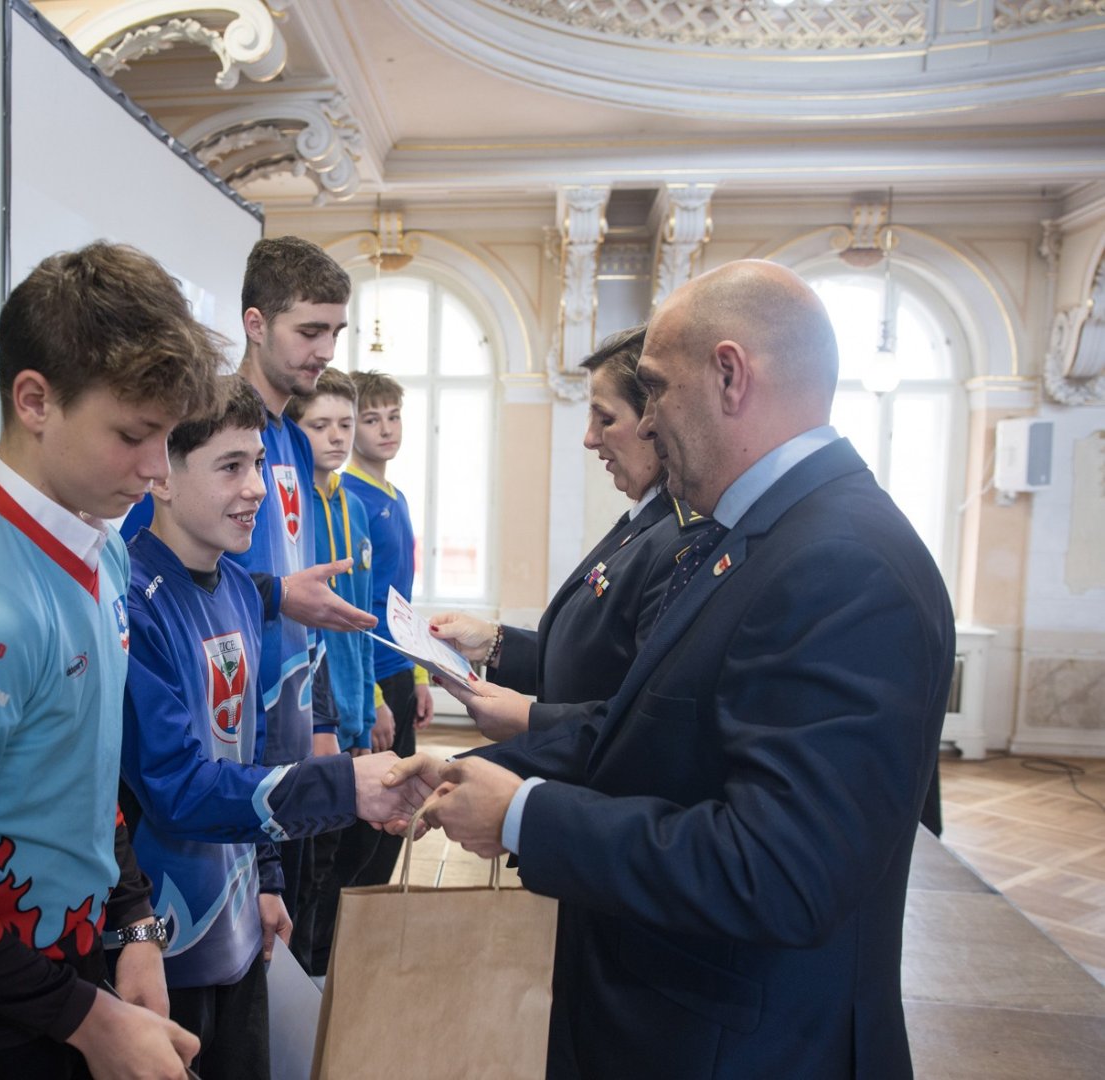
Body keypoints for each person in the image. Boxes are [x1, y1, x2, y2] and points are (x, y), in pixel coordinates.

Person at [389, 260, 956, 1079]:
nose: (648, 422)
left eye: (654, 388)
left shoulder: (840, 560)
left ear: (730, 375)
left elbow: (781, 869)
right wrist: (469, 771)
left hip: (744, 1048)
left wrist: (526, 817)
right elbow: (648, 724)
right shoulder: (764, 533)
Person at [0, 243, 218, 1080]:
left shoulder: (101, 551)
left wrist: (134, 924)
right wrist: (88, 1021)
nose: (157, 470)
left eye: (168, 437)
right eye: (134, 436)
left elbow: (83, 770)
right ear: (35, 400)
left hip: (72, 977)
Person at [120, 375, 423, 1079]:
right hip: (165, 940)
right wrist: (343, 785)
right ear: (161, 477)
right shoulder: (134, 604)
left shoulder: (237, 588)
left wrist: (265, 877)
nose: (257, 487)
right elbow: (177, 789)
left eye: (258, 462)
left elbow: (248, 755)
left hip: (238, 920)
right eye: (231, 466)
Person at [427, 325, 710, 741]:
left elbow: (647, 722)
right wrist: (494, 643)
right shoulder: (647, 520)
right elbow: (595, 657)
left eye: (606, 419)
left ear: (656, 420)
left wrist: (529, 720)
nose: (590, 439)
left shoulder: (683, 537)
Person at [285, 367, 379, 973]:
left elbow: (364, 620)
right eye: (320, 425)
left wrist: (365, 713)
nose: (337, 436)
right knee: (304, 865)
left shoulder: (358, 508)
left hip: (350, 711)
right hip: (305, 718)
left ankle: (320, 974)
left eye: (345, 423)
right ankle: (298, 979)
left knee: (336, 862)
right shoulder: (286, 507)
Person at [343, 369, 433, 886]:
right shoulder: (349, 496)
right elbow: (351, 604)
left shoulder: (395, 496)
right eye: (371, 419)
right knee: (366, 828)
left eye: (393, 417)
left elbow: (402, 599)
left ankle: (368, 922)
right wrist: (371, 696)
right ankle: (336, 932)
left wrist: (419, 674)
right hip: (368, 676)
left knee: (401, 813)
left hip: (399, 669)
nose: (385, 429)